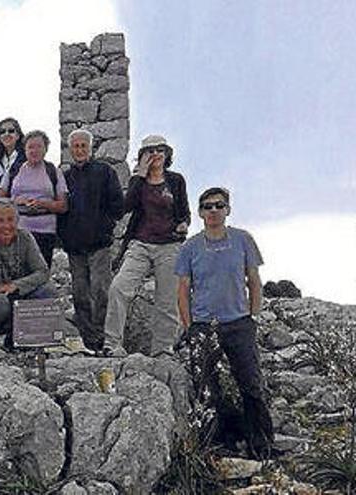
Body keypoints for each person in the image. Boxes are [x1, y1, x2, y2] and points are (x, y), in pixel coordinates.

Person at [175, 187, 274, 460]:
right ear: (200, 212)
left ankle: (261, 444)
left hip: (239, 323)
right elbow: (183, 289)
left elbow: (254, 279)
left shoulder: (243, 239)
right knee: (207, 388)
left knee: (251, 384)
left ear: (228, 209)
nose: (214, 210)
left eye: (219, 205)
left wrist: (253, 316)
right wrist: (189, 326)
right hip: (204, 326)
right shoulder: (190, 247)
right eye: (208, 206)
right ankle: (217, 443)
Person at [103, 135, 190, 357]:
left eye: (160, 150)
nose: (156, 154)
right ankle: (112, 344)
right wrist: (140, 175)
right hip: (140, 244)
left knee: (167, 298)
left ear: (167, 154)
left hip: (169, 245)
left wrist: (183, 224)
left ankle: (162, 349)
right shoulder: (139, 181)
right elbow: (125, 207)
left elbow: (185, 213)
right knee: (119, 288)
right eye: (150, 150)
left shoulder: (176, 180)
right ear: (142, 156)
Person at [59, 129, 124, 352]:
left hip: (99, 243)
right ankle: (87, 340)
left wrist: (105, 224)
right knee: (80, 294)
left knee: (101, 291)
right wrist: (64, 236)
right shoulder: (65, 177)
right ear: (70, 150)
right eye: (75, 146)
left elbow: (117, 204)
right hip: (74, 246)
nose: (79, 150)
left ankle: (103, 337)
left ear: (90, 148)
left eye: (83, 146)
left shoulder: (105, 171)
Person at [0, 201, 56, 348]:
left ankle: (27, 336)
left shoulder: (25, 238)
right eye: (0, 221)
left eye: (10, 220)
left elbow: (43, 272)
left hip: (20, 294)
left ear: (17, 221)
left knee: (48, 291)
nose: (6, 226)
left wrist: (15, 285)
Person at [0, 130, 68, 268]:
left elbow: (63, 206)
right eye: (30, 147)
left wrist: (43, 204)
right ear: (25, 150)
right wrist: (16, 202)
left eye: (39, 146)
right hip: (16, 231)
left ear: (46, 149)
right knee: (16, 273)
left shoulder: (53, 172)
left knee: (41, 272)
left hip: (45, 233)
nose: (34, 151)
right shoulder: (14, 171)